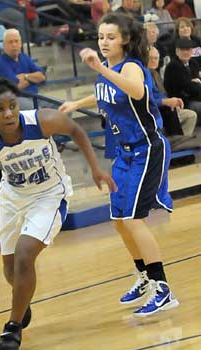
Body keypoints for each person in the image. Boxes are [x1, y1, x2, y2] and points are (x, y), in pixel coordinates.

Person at [0, 77, 116, 350]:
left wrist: (95, 168)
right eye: (0, 109)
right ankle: (23, 300)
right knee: (11, 271)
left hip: (49, 195)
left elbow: (76, 130)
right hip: (12, 197)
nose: (8, 113)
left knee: (24, 255)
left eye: (12, 106)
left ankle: (12, 327)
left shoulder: (42, 121)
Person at [59, 13, 179, 317]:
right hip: (125, 153)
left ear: (125, 40)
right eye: (100, 37)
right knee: (118, 219)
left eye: (110, 37)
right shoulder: (109, 71)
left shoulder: (131, 67)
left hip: (147, 149)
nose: (103, 42)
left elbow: (136, 91)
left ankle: (163, 289)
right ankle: (144, 276)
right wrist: (76, 104)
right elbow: (103, 92)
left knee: (134, 220)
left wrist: (99, 68)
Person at [148, 46, 197, 136]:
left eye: (156, 58)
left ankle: (181, 142)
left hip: (164, 107)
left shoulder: (155, 74)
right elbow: (147, 100)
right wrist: (166, 102)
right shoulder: (143, 74)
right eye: (150, 58)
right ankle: (177, 142)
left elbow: (161, 94)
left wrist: (172, 102)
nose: (153, 61)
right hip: (153, 112)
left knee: (191, 115)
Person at [0, 28, 46, 110]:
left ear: (20, 43)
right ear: (4, 45)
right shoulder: (0, 63)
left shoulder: (24, 57)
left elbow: (41, 77)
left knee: (63, 106)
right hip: (15, 100)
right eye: (10, 42)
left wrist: (26, 76)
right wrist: (32, 79)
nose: (14, 45)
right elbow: (16, 87)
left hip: (35, 96)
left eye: (16, 41)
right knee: (40, 113)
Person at [164, 37, 201, 125]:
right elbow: (189, 88)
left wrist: (193, 83)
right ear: (177, 51)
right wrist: (193, 83)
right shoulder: (173, 66)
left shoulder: (193, 63)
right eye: (182, 49)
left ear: (192, 51)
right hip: (182, 103)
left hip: (194, 98)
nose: (185, 52)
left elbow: (195, 84)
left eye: (188, 49)